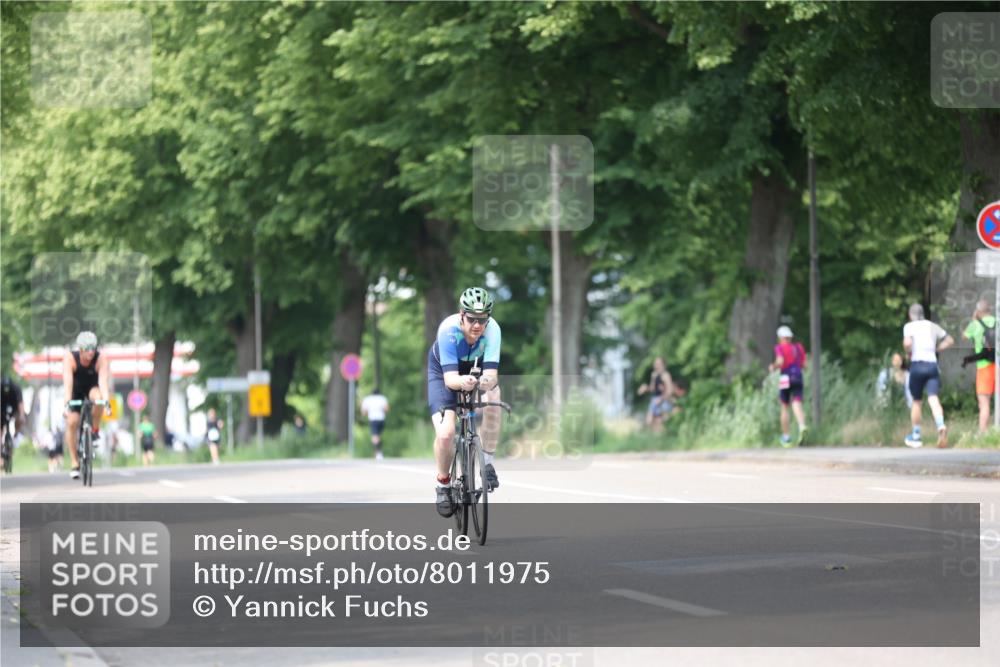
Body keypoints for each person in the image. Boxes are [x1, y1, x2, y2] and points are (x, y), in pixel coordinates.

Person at [428, 287, 502, 518]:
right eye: (472, 319)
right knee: (446, 433)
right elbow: (451, 380)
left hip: (473, 370)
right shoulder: (448, 330)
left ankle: (487, 462)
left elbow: (491, 375)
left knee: (494, 398)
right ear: (462, 315)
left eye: (483, 320)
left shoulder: (493, 330)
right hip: (444, 373)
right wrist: (464, 381)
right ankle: (443, 484)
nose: (477, 325)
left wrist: (485, 382)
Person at [903, 303, 954, 448]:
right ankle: (941, 426)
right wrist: (937, 349)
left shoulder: (909, 326)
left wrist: (908, 352)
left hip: (917, 365)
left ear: (911, 315)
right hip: (932, 365)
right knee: (933, 398)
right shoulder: (932, 326)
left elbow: (907, 343)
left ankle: (916, 436)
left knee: (917, 401)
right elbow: (950, 340)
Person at [62, 331, 111, 480]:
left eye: (93, 348)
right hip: (76, 390)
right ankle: (74, 461)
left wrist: (107, 402)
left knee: (99, 398)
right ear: (80, 349)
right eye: (87, 349)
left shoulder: (100, 358)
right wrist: (66, 403)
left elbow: (103, 382)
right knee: (72, 422)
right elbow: (68, 383)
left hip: (92, 388)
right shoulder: (70, 358)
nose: (91, 352)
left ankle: (94, 430)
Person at [768, 325, 808, 447]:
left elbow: (780, 361)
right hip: (798, 376)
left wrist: (773, 367)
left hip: (785, 377)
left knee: (785, 406)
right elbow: (805, 365)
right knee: (796, 403)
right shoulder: (799, 348)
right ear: (790, 337)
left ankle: (786, 438)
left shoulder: (780, 347)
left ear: (780, 337)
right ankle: (802, 426)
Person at [963, 299, 996, 433]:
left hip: (984, 366)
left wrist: (973, 318)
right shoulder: (997, 321)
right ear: (989, 309)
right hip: (997, 365)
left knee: (984, 402)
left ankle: (982, 434)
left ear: (978, 311)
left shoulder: (975, 324)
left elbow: (964, 337)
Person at [637, 356, 675, 433]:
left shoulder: (666, 375)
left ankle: (662, 439)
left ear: (663, 365)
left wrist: (661, 399)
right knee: (649, 421)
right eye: (655, 363)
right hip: (655, 400)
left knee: (660, 421)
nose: (656, 365)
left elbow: (670, 391)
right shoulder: (654, 375)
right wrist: (645, 388)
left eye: (658, 363)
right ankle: (655, 439)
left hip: (664, 401)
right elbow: (653, 388)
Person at [1, 375, 26, 472]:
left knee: (20, 419)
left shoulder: (16, 388)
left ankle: (15, 435)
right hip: (2, 409)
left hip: (14, 409)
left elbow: (20, 404)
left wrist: (22, 416)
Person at [361, 388, 390, 461]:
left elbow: (364, 412)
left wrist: (369, 412)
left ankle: (378, 453)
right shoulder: (382, 398)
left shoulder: (368, 399)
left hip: (373, 419)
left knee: (375, 437)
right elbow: (387, 409)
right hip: (381, 419)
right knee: (378, 436)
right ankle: (378, 453)